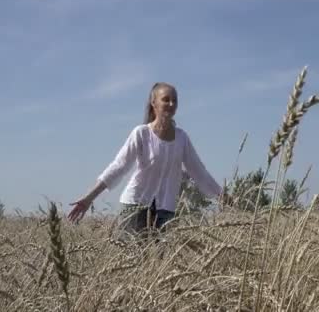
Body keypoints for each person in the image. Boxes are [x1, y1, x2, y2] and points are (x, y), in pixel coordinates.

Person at [68, 82, 223, 240]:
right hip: (135, 208)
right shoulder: (141, 134)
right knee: (133, 260)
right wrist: (88, 198)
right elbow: (118, 166)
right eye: (166, 99)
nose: (171, 104)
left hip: (166, 211)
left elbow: (198, 171)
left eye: (174, 100)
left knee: (159, 263)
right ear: (153, 102)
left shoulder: (182, 138)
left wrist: (222, 195)